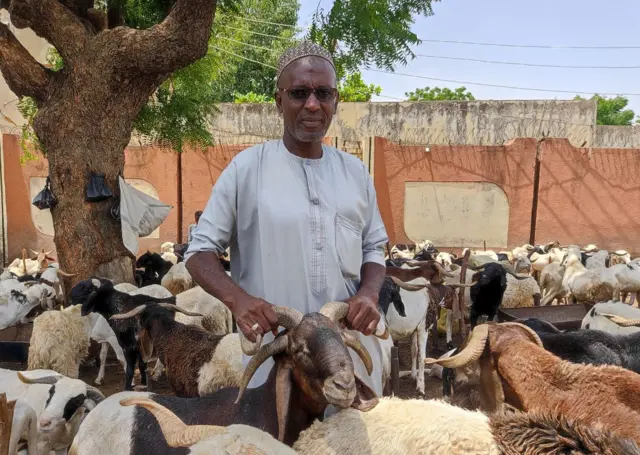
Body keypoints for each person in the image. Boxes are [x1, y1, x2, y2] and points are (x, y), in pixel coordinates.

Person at [184, 42, 389, 400]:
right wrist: (239, 301)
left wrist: (369, 293)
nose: (312, 104)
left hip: (347, 354)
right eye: (299, 93)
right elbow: (199, 253)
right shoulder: (247, 170)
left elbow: (373, 246)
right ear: (279, 101)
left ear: (335, 101)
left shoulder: (355, 172)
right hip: (277, 357)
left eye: (323, 93)